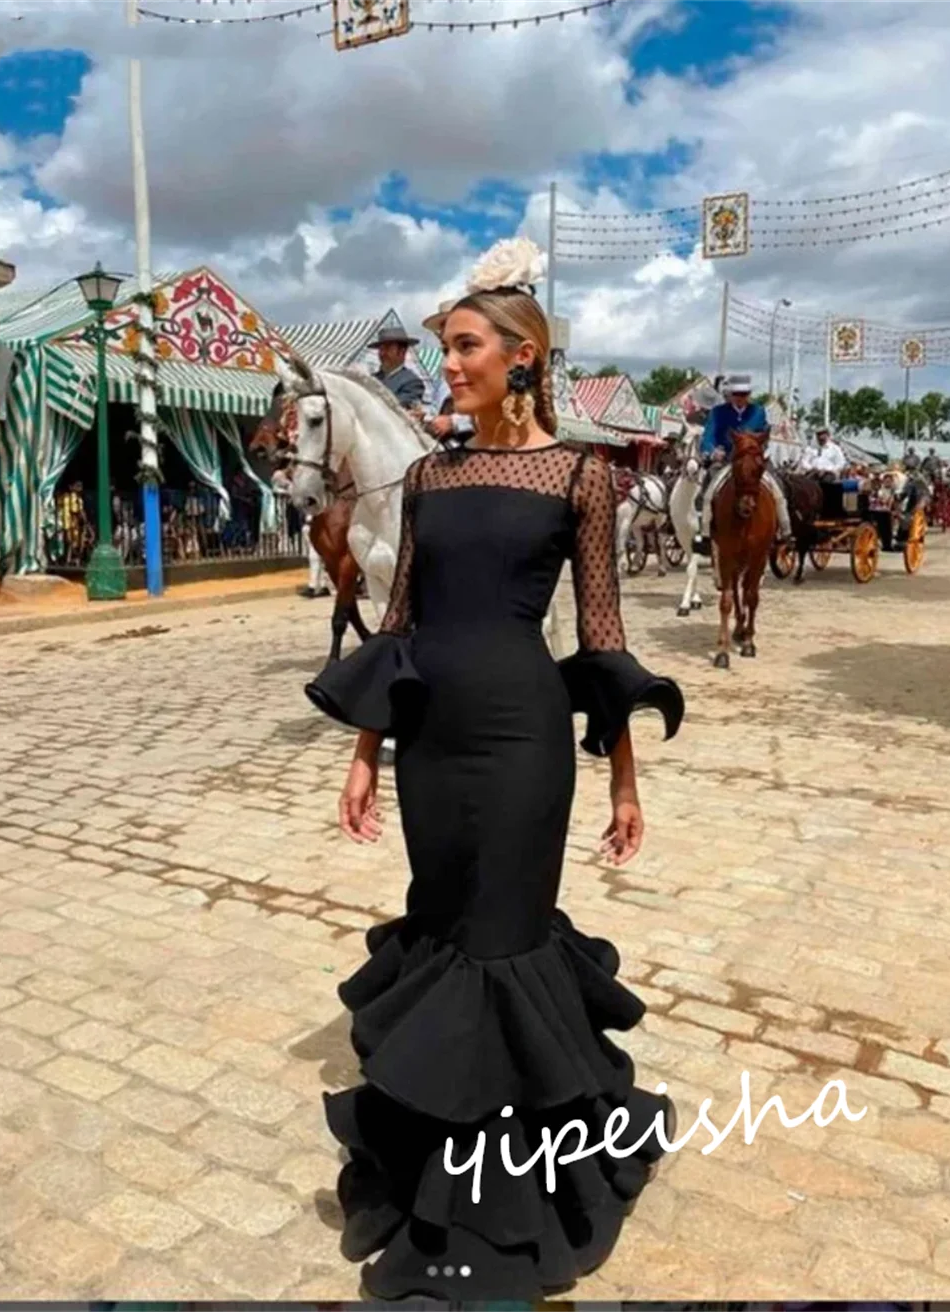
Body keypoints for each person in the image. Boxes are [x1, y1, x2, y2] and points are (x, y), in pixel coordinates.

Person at [303, 238, 684, 1299]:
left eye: (464, 346)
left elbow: (600, 636)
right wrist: (365, 753)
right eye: (446, 348)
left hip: (524, 739)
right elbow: (398, 623)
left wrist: (621, 777)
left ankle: (508, 1195)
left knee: (503, 936)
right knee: (443, 919)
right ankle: (433, 1155)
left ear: (521, 356)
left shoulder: (581, 475)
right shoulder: (427, 477)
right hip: (431, 743)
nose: (448, 364)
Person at [693, 374, 792, 554]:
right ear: (730, 394)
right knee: (708, 490)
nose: (741, 398)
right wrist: (713, 451)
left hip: (753, 459)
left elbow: (764, 435)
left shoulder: (759, 411)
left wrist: (758, 449)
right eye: (737, 394)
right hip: (726, 460)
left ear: (749, 394)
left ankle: (784, 530)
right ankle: (704, 533)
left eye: (744, 394)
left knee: (777, 485)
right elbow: (708, 436)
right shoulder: (718, 412)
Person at [369, 324, 426, 412]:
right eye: (381, 349)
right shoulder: (371, 379)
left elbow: (395, 407)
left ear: (402, 352)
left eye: (388, 348)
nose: (383, 353)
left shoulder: (412, 383)